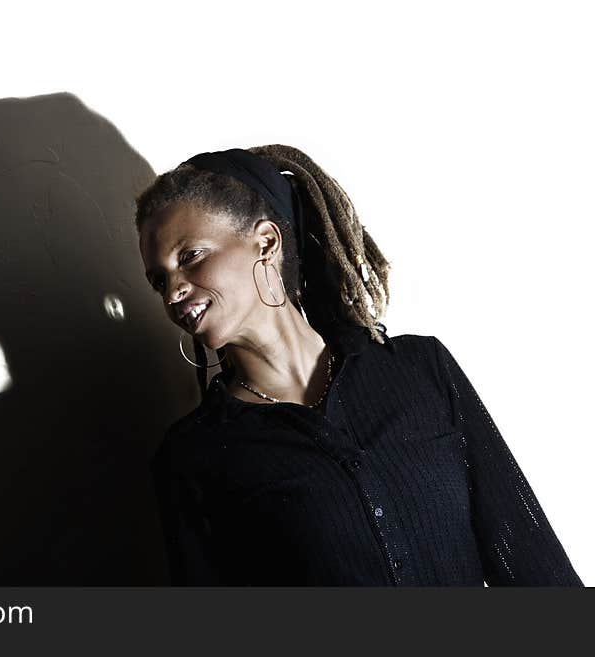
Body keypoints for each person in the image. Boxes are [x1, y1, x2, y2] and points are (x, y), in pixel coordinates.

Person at [135, 145, 583, 586]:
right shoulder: (195, 456)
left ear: (266, 242)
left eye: (190, 257)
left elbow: (533, 560)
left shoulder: (421, 370)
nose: (173, 291)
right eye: (160, 280)